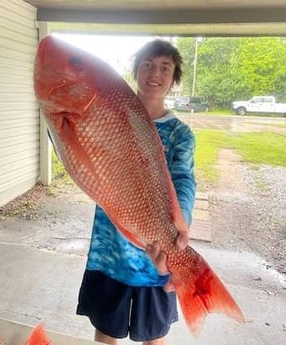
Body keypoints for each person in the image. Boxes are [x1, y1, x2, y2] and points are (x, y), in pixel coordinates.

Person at [76, 39, 196, 345]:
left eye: (165, 67)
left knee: (154, 336)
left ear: (174, 78)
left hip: (154, 255)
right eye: (148, 64)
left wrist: (179, 220)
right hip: (110, 251)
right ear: (136, 70)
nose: (155, 73)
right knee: (105, 331)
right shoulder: (108, 116)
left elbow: (184, 178)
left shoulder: (180, 133)